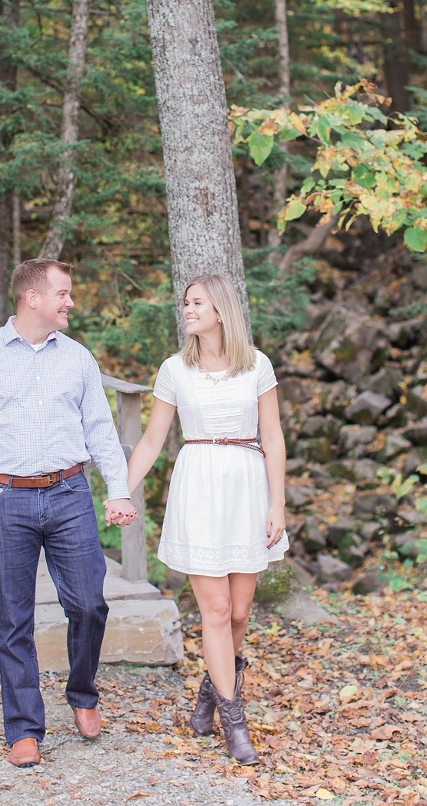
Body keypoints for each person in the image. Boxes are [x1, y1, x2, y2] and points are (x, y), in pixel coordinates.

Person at [0, 258, 137, 769]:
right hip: (7, 497)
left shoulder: (77, 358)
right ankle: (24, 728)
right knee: (14, 617)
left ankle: (82, 691)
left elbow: (100, 429)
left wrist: (118, 490)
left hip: (69, 492)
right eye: (63, 293)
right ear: (32, 297)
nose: (70, 302)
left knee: (89, 604)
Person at [123, 273, 288, 765]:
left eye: (197, 302)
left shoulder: (256, 365)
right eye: (186, 302)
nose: (188, 310)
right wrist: (120, 489)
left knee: (239, 613)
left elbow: (274, 437)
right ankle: (235, 723)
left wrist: (276, 502)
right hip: (198, 488)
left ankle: (209, 692)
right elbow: (152, 439)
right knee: (215, 612)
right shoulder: (175, 369)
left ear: (220, 310)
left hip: (246, 488)